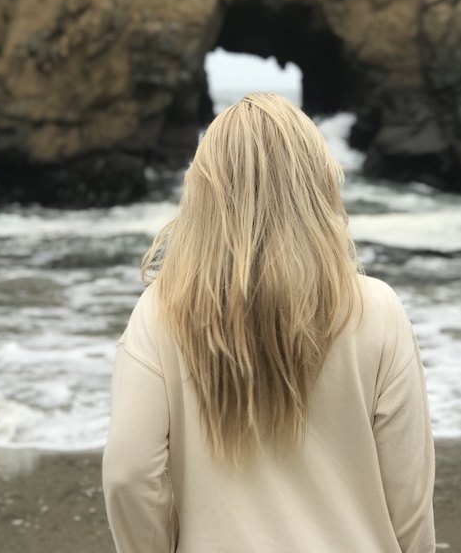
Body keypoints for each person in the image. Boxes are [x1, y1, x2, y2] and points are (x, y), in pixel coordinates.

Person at [102, 93, 435, 553]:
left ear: (202, 192)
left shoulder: (162, 311)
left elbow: (128, 473)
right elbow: (410, 500)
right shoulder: (376, 308)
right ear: (316, 184)